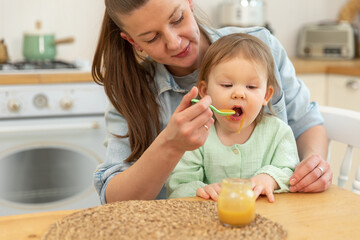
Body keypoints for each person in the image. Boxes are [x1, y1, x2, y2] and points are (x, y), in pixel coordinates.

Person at [92, 0, 331, 204]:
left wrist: (313, 167)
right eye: (152, 38)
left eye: (177, 19)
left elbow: (306, 122)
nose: (175, 42)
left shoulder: (262, 47)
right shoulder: (130, 91)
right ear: (133, 42)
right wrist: (169, 145)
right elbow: (114, 200)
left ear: (189, 2)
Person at [166, 33, 300, 202]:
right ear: (205, 91)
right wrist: (201, 190)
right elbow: (178, 186)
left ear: (266, 95)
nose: (238, 93)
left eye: (251, 86)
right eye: (227, 85)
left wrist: (270, 178)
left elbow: (290, 171)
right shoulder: (195, 137)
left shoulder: (278, 133)